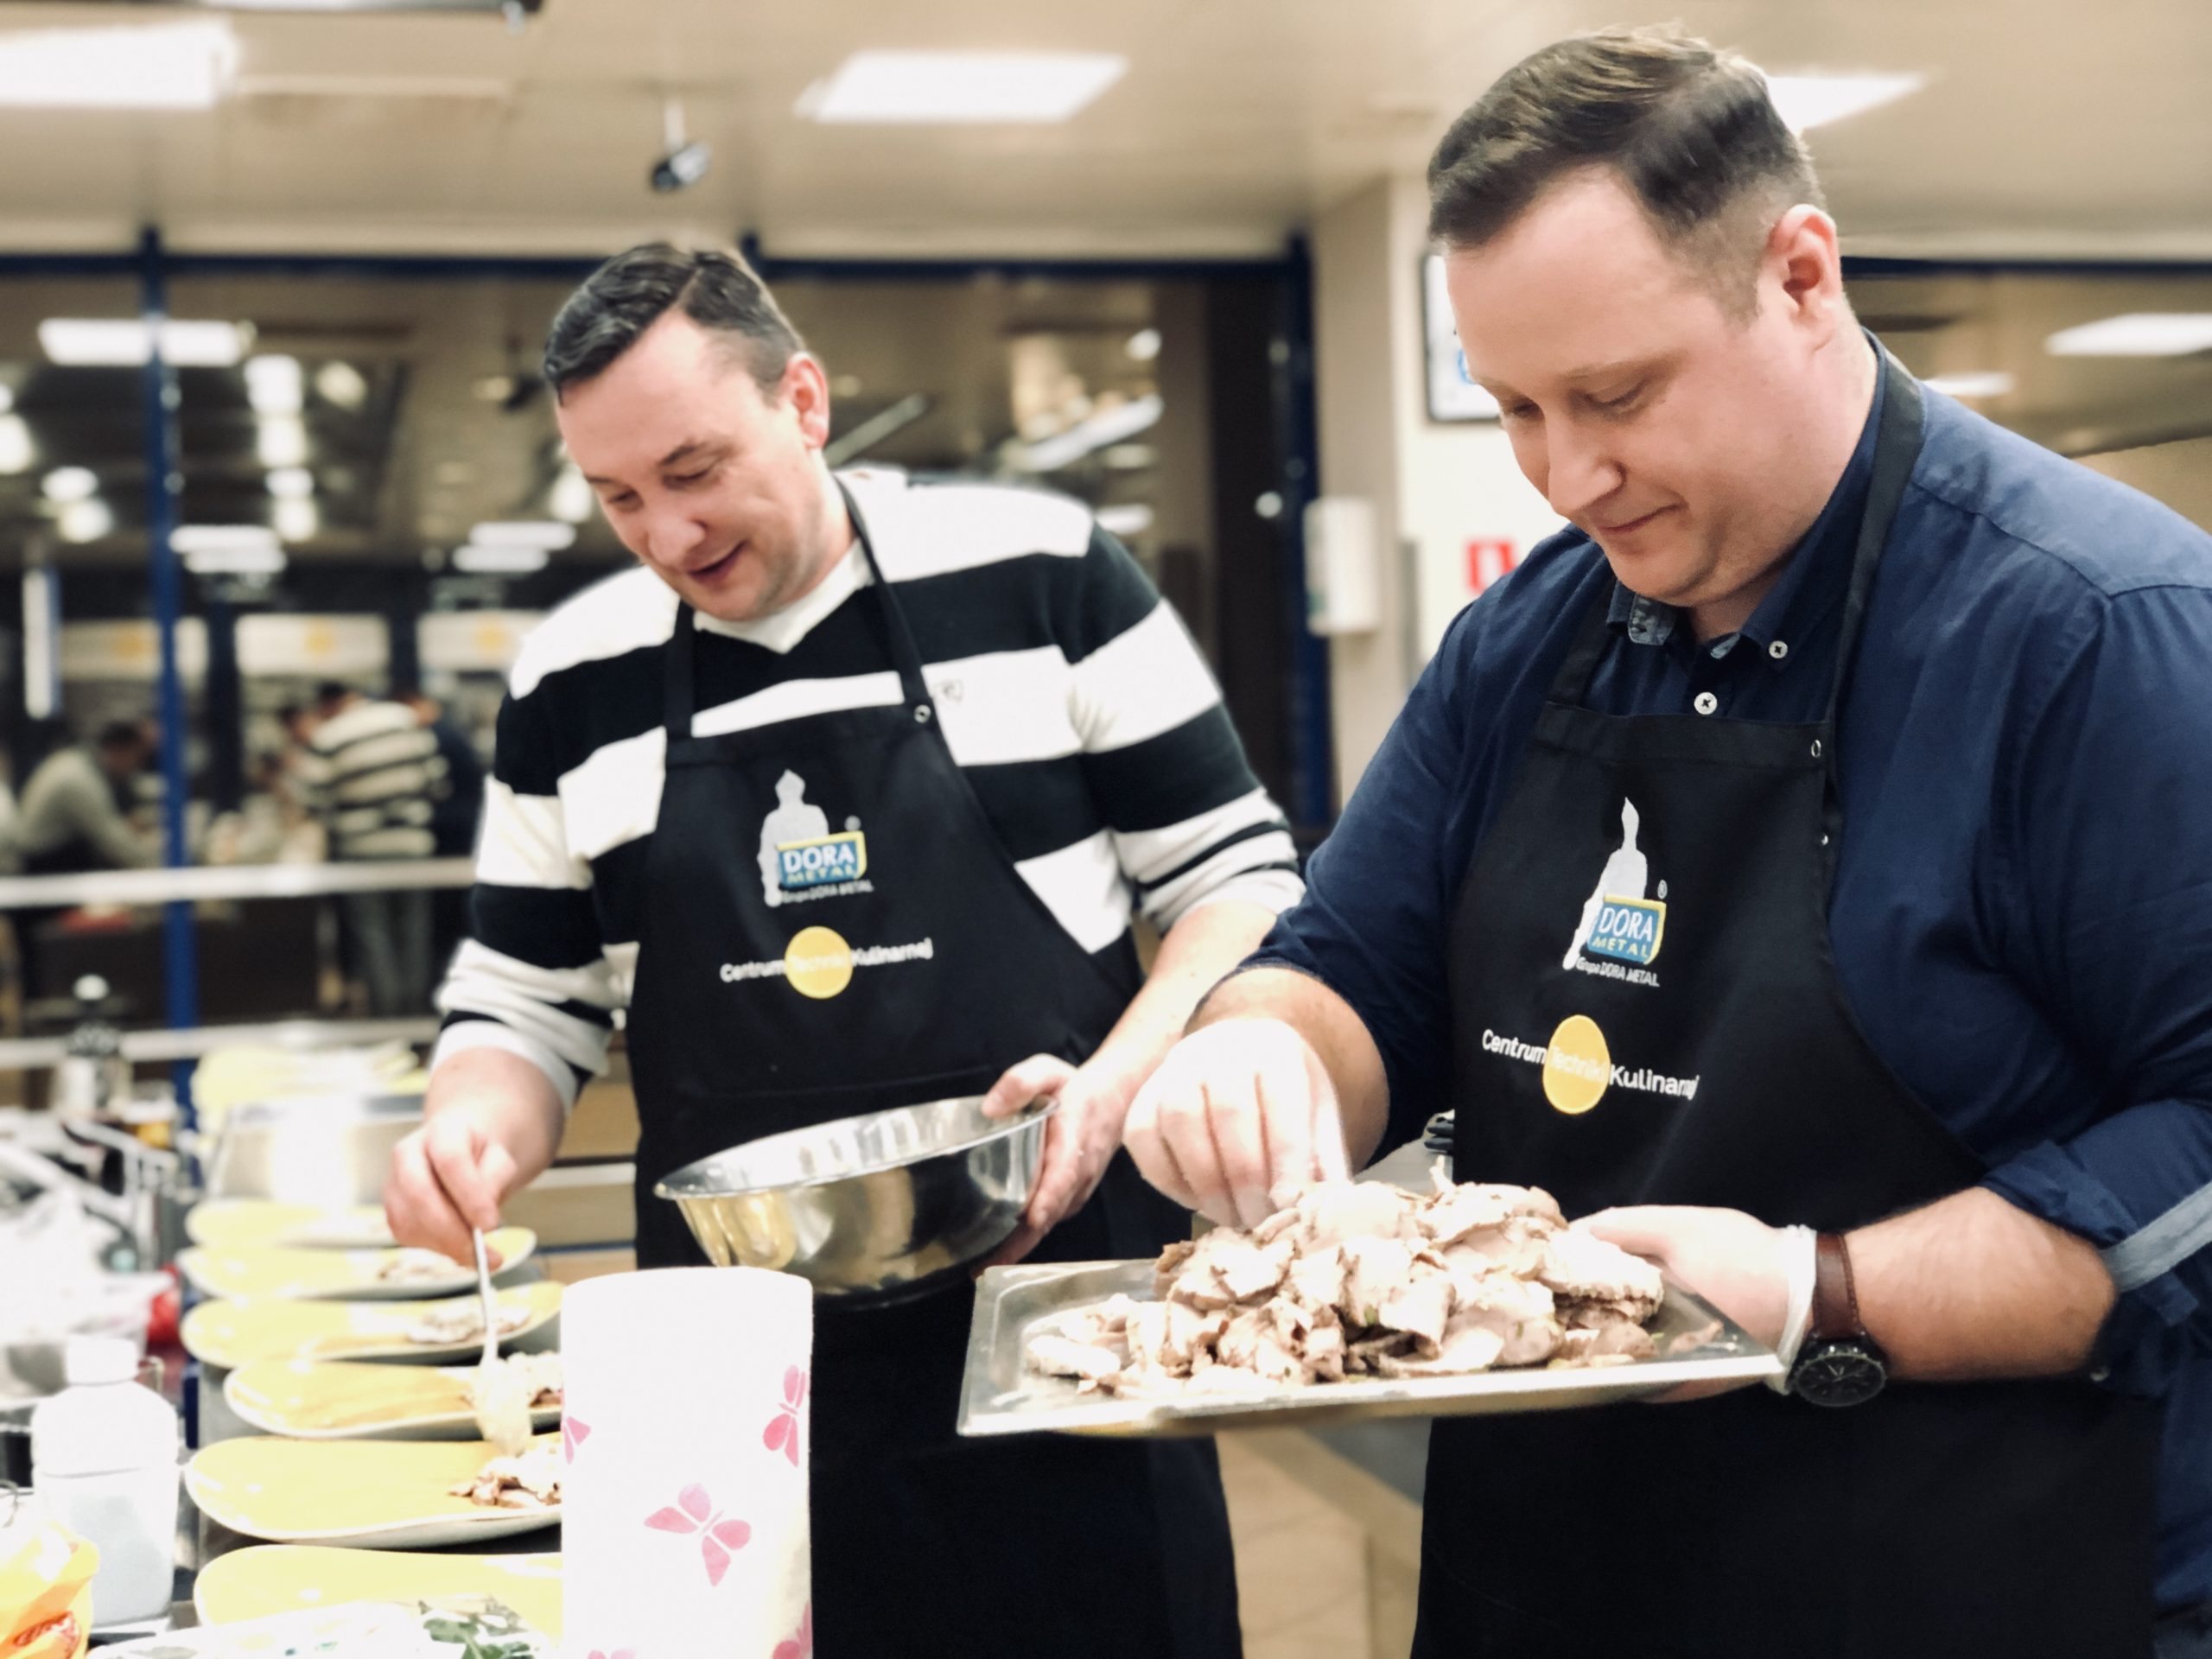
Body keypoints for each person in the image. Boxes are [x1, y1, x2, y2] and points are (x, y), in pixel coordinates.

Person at [1122, 29, 2212, 1659]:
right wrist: (1257, 1058)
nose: (1569, 476)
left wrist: (1818, 1290)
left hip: (1963, 1571)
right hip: (1556, 1570)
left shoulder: (2096, 635)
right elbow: (1349, 967)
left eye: (1618, 396)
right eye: (1515, 409)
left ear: (1801, 275)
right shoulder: (1524, 642)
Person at [385, 245, 1303, 1656]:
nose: (667, 533)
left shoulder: (1041, 576)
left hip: (1061, 1325)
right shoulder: (571, 683)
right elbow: (526, 1003)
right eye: (620, 497)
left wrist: (1118, 1084)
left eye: (695, 470)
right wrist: (468, 1130)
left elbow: (1236, 882)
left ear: (802, 401)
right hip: (735, 1368)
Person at [302, 682, 447, 1017]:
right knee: (415, 933)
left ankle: (388, 1020)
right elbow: (438, 784)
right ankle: (416, 1018)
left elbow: (314, 800)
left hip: (361, 850)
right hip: (412, 844)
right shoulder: (404, 720)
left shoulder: (330, 736)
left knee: (373, 937)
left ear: (328, 705)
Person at [12, 721, 157, 998]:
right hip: (42, 878)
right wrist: (164, 869)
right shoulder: (78, 780)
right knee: (43, 967)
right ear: (119, 750)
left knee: (44, 965)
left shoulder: (77, 764)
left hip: (49, 872)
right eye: (135, 757)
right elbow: (113, 841)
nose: (135, 767)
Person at [397, 685, 488, 975]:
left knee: (448, 916)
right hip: (465, 830)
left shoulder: (437, 737)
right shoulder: (450, 732)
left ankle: (445, 974)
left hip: (452, 836)